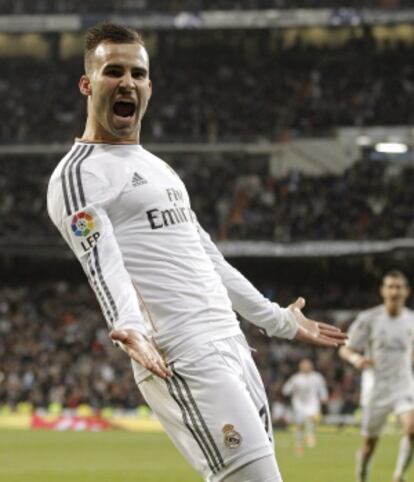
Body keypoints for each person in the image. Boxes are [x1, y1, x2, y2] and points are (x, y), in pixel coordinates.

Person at [47, 22, 345, 482]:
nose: (127, 82)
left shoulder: (159, 168)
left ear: (149, 87)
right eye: (114, 71)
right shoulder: (77, 174)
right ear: (87, 84)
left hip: (232, 346)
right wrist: (126, 323)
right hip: (180, 353)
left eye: (138, 74)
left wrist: (277, 320)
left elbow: (208, 257)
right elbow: (100, 258)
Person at [340, 270, 414, 482]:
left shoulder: (411, 320)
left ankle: (399, 475)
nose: (394, 291)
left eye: (399, 287)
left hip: (404, 386)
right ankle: (362, 477)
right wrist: (357, 360)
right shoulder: (369, 319)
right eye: (390, 286)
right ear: (383, 291)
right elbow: (345, 348)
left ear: (406, 291)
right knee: (369, 446)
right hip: (376, 390)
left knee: (412, 428)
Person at [282, 358, 328, 455]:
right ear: (301, 367)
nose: (307, 367)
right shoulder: (296, 378)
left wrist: (324, 396)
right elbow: (286, 390)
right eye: (305, 365)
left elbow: (322, 388)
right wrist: (290, 389)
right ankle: (299, 444)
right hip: (299, 404)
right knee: (299, 425)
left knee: (313, 417)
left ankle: (310, 434)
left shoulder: (317, 377)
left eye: (308, 365)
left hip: (313, 403)